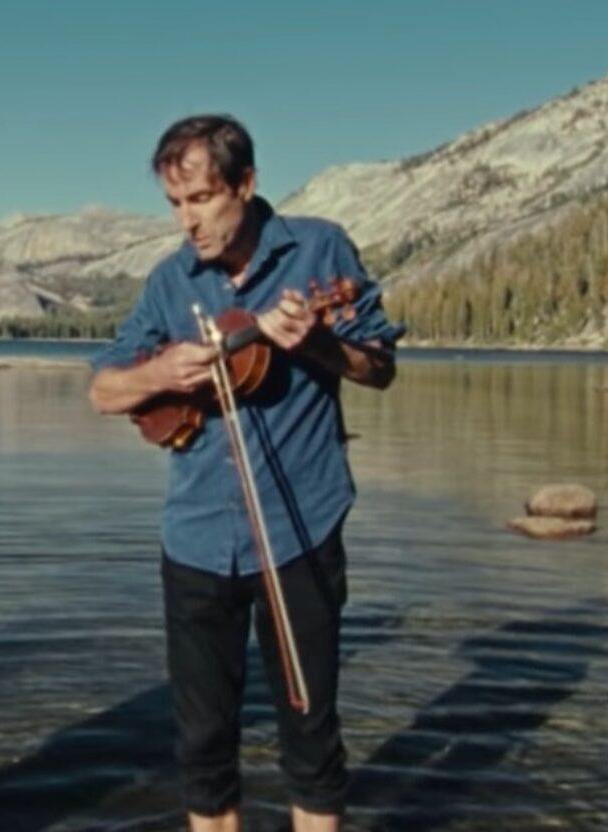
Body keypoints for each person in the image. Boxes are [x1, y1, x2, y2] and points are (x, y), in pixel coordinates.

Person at [87, 114, 403, 832]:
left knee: (311, 737)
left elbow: (380, 368)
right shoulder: (170, 282)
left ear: (247, 184)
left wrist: (322, 346)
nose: (187, 221)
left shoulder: (320, 250)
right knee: (202, 747)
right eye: (175, 204)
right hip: (195, 539)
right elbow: (102, 389)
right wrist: (163, 370)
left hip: (299, 528)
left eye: (201, 199)